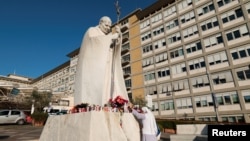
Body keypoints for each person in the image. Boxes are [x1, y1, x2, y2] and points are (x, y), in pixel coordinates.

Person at [74, 16, 129, 107]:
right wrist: (110, 38)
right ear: (100, 23)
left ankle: (108, 102)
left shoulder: (106, 36)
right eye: (106, 25)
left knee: (108, 85)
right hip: (96, 67)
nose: (108, 28)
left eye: (109, 26)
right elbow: (93, 41)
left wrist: (119, 36)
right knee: (99, 86)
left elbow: (113, 46)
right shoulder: (92, 30)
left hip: (107, 64)